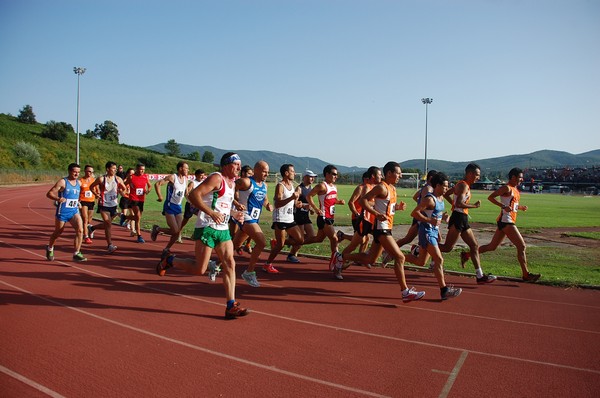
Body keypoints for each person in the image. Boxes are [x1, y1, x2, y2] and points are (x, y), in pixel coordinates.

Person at [156, 152, 248, 319]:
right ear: (227, 165)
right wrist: (211, 213)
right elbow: (193, 195)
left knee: (230, 264)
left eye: (240, 165)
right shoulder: (216, 178)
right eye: (236, 164)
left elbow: (223, 206)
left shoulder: (232, 183)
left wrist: (234, 214)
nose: (239, 168)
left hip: (223, 230)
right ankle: (169, 260)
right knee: (200, 269)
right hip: (206, 228)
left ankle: (231, 305)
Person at [351, 161, 426, 302]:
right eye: (398, 173)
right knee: (400, 257)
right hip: (381, 228)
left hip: (387, 227)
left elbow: (387, 208)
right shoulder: (381, 187)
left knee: (370, 259)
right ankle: (405, 292)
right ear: (389, 173)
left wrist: (397, 207)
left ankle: (342, 256)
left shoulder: (392, 188)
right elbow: (363, 201)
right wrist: (375, 213)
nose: (400, 175)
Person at [476, 168, 541, 282]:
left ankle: (468, 254)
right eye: (520, 177)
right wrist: (502, 206)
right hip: (506, 221)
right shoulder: (506, 188)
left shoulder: (515, 189)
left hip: (506, 220)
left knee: (492, 247)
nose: (521, 179)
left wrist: (520, 207)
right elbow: (491, 197)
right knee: (521, 246)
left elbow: (511, 205)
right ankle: (526, 274)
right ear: (513, 177)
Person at [405, 172, 461, 300]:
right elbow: (414, 213)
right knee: (439, 259)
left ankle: (398, 257)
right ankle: (444, 290)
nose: (447, 189)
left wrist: (444, 217)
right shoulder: (430, 199)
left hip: (434, 232)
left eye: (448, 186)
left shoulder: (440, 199)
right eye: (445, 186)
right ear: (437, 185)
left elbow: (435, 215)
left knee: (421, 262)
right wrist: (430, 221)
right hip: (426, 232)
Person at [438, 163, 497, 284]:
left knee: (474, 246)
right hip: (458, 218)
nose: (478, 177)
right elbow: (459, 203)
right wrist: (474, 206)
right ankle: (420, 248)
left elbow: (447, 195)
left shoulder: (462, 185)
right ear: (470, 173)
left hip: (463, 218)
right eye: (477, 175)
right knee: (447, 248)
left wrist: (454, 204)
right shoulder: (463, 186)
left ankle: (480, 276)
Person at [381, 169, 438, 266]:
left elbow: (415, 197)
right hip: (422, 219)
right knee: (409, 239)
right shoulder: (428, 189)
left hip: (421, 218)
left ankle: (391, 252)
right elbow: (424, 203)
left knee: (408, 239)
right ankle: (394, 253)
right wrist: (422, 209)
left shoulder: (424, 188)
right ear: (432, 178)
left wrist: (420, 204)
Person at [232, 161, 273, 287]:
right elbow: (229, 188)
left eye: (267, 171)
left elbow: (264, 198)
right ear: (256, 170)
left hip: (255, 218)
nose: (266, 174)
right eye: (264, 171)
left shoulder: (264, 185)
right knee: (261, 242)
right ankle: (249, 272)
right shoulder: (246, 182)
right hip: (245, 216)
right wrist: (236, 202)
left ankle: (216, 265)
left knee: (235, 244)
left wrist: (267, 205)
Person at [304, 165, 346, 279]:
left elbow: (330, 200)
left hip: (330, 216)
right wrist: (316, 209)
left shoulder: (334, 187)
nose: (335, 176)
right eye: (333, 174)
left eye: (336, 174)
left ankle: (296, 242)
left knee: (318, 239)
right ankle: (335, 264)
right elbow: (309, 196)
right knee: (334, 238)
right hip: (323, 217)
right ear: (327, 174)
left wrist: (338, 202)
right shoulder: (322, 186)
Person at [337, 167, 382, 269]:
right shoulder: (362, 188)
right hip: (360, 218)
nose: (381, 177)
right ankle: (341, 259)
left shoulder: (375, 188)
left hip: (371, 219)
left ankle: (361, 259)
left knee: (367, 239)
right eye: (380, 175)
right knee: (358, 242)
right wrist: (356, 213)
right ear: (368, 178)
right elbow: (354, 202)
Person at [263, 164, 305, 273]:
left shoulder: (292, 185)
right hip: (280, 218)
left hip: (290, 218)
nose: (294, 173)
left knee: (300, 239)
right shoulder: (280, 186)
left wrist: (299, 204)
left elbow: (293, 203)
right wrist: (292, 197)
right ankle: (267, 264)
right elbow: (277, 204)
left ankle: (275, 243)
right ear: (286, 173)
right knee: (280, 245)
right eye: (292, 171)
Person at [45, 163, 87, 262]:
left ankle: (76, 253)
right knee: (58, 232)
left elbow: (77, 195)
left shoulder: (79, 183)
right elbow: (49, 193)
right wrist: (58, 198)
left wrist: (79, 202)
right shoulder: (63, 182)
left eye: (78, 172)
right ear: (69, 171)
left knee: (80, 230)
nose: (76, 174)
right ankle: (50, 247)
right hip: (63, 211)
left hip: (74, 211)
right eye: (74, 172)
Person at [88, 161, 128, 253]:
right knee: (108, 223)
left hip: (113, 205)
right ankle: (110, 245)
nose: (115, 170)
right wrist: (96, 194)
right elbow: (91, 187)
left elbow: (124, 188)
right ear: (107, 169)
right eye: (113, 168)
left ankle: (92, 228)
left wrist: (122, 192)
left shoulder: (118, 179)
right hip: (104, 204)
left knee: (107, 224)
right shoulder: (101, 179)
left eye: (116, 168)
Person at [151, 161, 189, 254]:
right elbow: (157, 184)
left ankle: (167, 248)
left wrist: (193, 202)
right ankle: (157, 229)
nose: (188, 170)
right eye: (186, 168)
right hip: (169, 205)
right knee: (175, 230)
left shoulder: (185, 179)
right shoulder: (172, 177)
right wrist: (160, 196)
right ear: (180, 168)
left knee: (177, 231)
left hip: (178, 207)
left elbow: (186, 193)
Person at [288, 169, 318, 260]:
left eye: (313, 177)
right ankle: (291, 254)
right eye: (310, 176)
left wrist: (311, 209)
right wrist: (302, 205)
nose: (312, 178)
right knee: (300, 239)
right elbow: (294, 203)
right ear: (305, 177)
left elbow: (309, 202)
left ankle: (291, 241)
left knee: (311, 236)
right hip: (298, 216)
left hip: (306, 216)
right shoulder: (299, 188)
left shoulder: (311, 189)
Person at [123, 163, 152, 243]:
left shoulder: (145, 176)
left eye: (143, 169)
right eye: (140, 169)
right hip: (133, 198)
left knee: (137, 217)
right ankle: (139, 235)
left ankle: (125, 217)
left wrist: (148, 191)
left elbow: (150, 186)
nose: (142, 171)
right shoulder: (132, 177)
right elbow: (123, 185)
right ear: (136, 169)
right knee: (138, 217)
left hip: (141, 199)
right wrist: (125, 192)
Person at [179, 169, 207, 238]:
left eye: (203, 176)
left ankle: (195, 235)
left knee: (202, 218)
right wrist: (190, 201)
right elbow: (186, 193)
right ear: (196, 175)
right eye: (201, 176)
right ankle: (178, 233)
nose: (202, 177)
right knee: (185, 220)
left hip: (199, 205)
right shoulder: (192, 183)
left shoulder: (203, 183)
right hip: (190, 205)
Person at [79, 164, 96, 245]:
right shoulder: (81, 180)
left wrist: (98, 195)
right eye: (88, 171)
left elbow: (97, 190)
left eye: (91, 172)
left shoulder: (93, 180)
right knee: (85, 219)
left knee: (89, 220)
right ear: (85, 171)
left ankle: (85, 230)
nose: (90, 173)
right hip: (83, 201)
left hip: (91, 201)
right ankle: (86, 236)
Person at [118, 168, 135, 233]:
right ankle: (116, 213)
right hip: (125, 199)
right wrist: (123, 194)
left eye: (133, 174)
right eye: (131, 173)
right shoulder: (124, 181)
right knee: (124, 215)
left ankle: (132, 230)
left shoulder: (133, 180)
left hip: (131, 199)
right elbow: (120, 189)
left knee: (133, 215)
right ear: (128, 174)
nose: (132, 175)